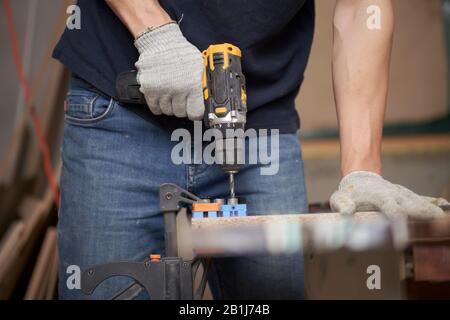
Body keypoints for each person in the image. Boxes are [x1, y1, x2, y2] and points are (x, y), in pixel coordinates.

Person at [53, 0, 445, 300]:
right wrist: (154, 34)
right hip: (122, 111)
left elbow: (363, 7)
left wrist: (362, 169)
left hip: (261, 129)